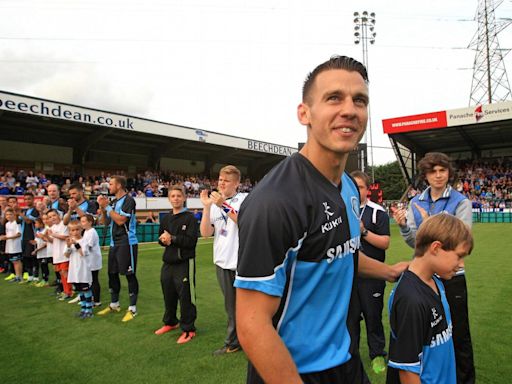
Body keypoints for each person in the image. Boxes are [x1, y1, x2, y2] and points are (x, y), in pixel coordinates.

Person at [234, 55, 408, 384]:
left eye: (360, 100)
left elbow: (339, 253)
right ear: (305, 113)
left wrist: (388, 271)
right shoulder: (275, 202)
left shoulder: (348, 188)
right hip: (295, 370)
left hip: (345, 359)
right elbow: (252, 324)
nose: (350, 110)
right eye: (333, 98)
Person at [392, 152, 475, 384]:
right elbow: (417, 244)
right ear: (426, 175)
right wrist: (404, 228)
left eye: (442, 170)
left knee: (458, 335)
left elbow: (461, 241)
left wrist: (429, 224)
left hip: (453, 276)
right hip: (426, 277)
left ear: (449, 173)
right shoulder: (415, 202)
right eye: (433, 171)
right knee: (432, 335)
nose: (438, 175)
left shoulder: (461, 201)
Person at [387, 214, 473, 384]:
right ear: (435, 248)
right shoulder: (411, 300)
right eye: (459, 256)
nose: (461, 264)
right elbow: (407, 372)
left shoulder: (437, 280)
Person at [200, 165, 248, 355]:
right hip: (221, 261)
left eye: (226, 181)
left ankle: (233, 342)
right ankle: (237, 341)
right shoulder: (213, 204)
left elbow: (244, 220)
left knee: (247, 305)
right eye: (220, 180)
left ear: (236, 184)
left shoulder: (243, 199)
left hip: (240, 261)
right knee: (231, 306)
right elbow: (205, 233)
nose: (221, 183)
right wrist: (206, 207)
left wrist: (223, 205)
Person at [349, 170, 390, 375]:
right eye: (353, 186)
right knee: (350, 318)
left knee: (373, 316)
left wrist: (363, 231)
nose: (357, 190)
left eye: (361, 187)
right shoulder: (341, 210)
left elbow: (385, 243)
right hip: (348, 276)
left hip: (372, 276)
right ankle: (351, 356)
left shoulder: (377, 212)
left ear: (368, 190)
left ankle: (377, 355)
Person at [154, 185, 199, 344]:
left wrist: (173, 238)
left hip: (184, 262)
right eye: (172, 196)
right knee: (169, 293)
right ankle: (171, 322)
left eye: (179, 196)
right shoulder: (166, 218)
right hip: (168, 262)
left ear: (184, 198)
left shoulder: (190, 218)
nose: (175, 199)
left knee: (186, 296)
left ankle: (189, 329)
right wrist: (163, 240)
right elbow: (161, 239)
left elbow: (192, 241)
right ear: (169, 199)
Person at [97, 175, 139, 322]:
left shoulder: (129, 200)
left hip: (127, 242)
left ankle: (133, 309)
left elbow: (121, 221)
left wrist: (107, 207)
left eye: (111, 184)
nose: (109, 186)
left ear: (119, 185)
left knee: (129, 274)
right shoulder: (113, 202)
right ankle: (114, 304)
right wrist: (103, 209)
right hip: (114, 243)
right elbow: (105, 222)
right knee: (112, 273)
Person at [65, 220, 93, 319]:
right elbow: (66, 255)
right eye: (73, 230)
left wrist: (76, 244)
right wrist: (68, 246)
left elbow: (83, 253)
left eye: (77, 229)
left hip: (83, 269)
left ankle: (89, 309)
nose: (75, 232)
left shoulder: (84, 241)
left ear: (81, 229)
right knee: (80, 290)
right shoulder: (70, 241)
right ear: (70, 232)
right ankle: (83, 308)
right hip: (74, 269)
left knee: (86, 289)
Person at [45, 209, 73, 300]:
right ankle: (65, 291)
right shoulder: (53, 227)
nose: (52, 218)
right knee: (61, 273)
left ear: (58, 215)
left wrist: (53, 235)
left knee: (65, 272)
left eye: (54, 215)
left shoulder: (63, 225)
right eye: (50, 217)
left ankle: (69, 291)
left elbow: (66, 237)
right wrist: (47, 237)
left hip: (64, 254)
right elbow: (54, 241)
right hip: (57, 254)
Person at [80, 214, 103, 307]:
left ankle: (97, 300)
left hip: (93, 259)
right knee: (90, 280)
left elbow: (89, 246)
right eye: (81, 221)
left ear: (90, 222)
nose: (82, 223)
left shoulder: (92, 232)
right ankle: (92, 298)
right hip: (88, 259)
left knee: (94, 280)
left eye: (84, 221)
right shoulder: (86, 231)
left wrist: (80, 251)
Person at [19, 192, 39, 283]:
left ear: (33, 199)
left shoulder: (35, 210)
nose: (27, 201)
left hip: (31, 236)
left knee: (33, 256)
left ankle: (36, 276)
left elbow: (28, 221)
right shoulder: (25, 211)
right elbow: (19, 221)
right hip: (24, 237)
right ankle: (30, 275)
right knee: (26, 257)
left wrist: (19, 212)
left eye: (29, 199)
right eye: (25, 199)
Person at [1, 209, 23, 283]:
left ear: (14, 215)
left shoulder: (16, 223)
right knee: (14, 261)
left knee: (17, 261)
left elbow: (19, 234)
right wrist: (4, 236)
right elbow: (8, 234)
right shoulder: (7, 224)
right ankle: (17, 276)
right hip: (10, 245)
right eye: (7, 215)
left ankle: (19, 276)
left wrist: (7, 237)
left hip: (16, 245)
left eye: (10, 214)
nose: (8, 216)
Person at [32, 216, 50, 287]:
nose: (35, 225)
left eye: (36, 223)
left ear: (41, 224)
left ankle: (46, 281)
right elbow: (37, 241)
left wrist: (37, 250)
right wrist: (33, 242)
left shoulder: (45, 230)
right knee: (42, 266)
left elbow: (46, 243)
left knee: (44, 266)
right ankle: (43, 280)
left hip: (44, 252)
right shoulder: (38, 231)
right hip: (39, 253)